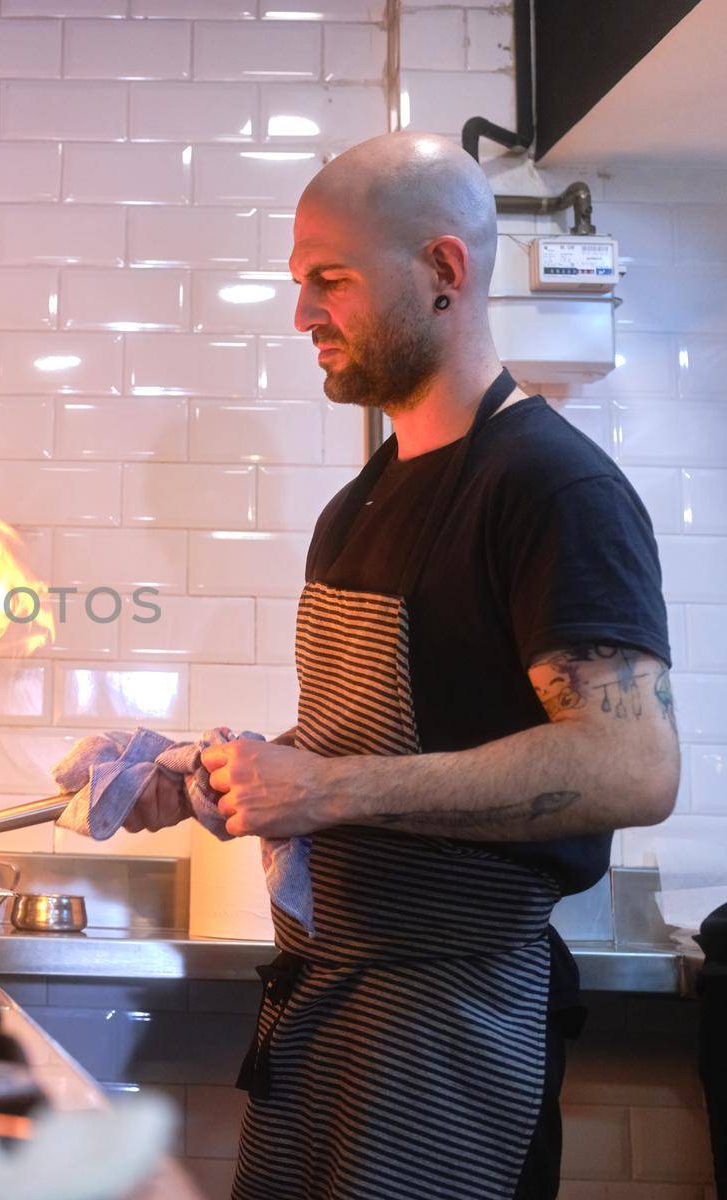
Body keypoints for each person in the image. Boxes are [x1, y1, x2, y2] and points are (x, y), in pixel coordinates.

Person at [133, 131, 680, 1199]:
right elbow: (368, 743)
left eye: (327, 280)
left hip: (451, 1030)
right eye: (299, 284)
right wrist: (229, 777)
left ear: (443, 271)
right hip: (328, 1013)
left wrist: (326, 788)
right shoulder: (361, 502)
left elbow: (631, 765)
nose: (301, 315)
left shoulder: (551, 490)